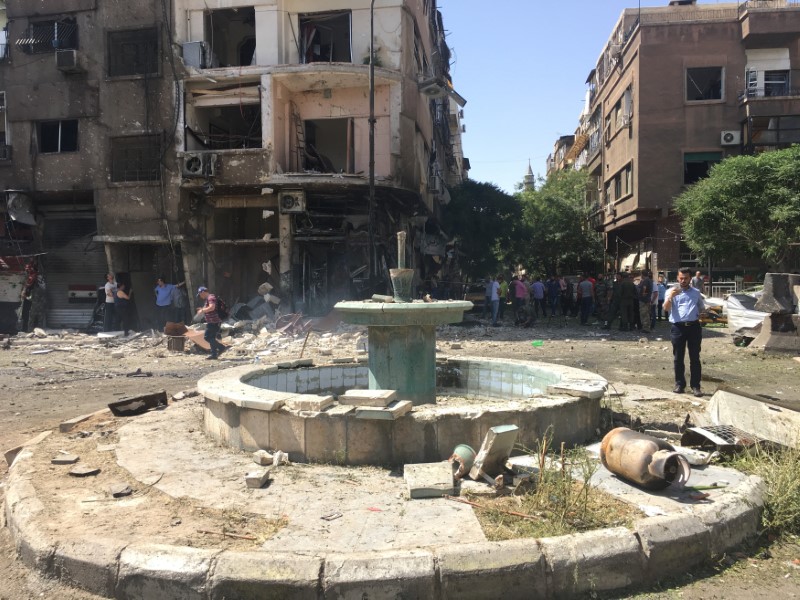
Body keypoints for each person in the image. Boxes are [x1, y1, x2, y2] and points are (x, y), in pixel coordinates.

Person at [663, 267, 705, 397]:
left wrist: (701, 314)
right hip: (678, 328)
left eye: (686, 278)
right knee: (678, 358)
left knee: (695, 358)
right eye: (681, 278)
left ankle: (696, 386)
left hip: (693, 327)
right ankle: (679, 384)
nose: (683, 281)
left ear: (690, 278)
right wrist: (671, 297)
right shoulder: (671, 291)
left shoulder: (696, 292)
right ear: (677, 278)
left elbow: (701, 308)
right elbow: (665, 308)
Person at [196, 286, 224, 359]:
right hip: (212, 321)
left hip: (214, 322)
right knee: (211, 337)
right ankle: (214, 354)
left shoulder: (210, 298)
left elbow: (212, 307)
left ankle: (221, 348)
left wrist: (202, 310)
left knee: (207, 337)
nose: (200, 296)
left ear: (203, 292)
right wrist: (203, 309)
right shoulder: (208, 299)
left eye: (200, 294)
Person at [637, 270, 653, 334]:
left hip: (644, 300)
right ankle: (647, 327)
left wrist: (643, 292)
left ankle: (646, 328)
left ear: (642, 274)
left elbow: (644, 287)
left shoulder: (646, 280)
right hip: (647, 299)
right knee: (647, 314)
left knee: (644, 314)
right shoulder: (650, 280)